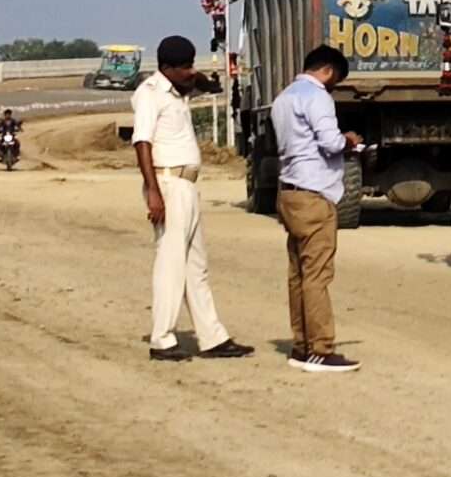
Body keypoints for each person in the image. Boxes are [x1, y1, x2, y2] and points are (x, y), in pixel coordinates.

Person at [133, 35, 253, 362]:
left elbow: (206, 85)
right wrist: (153, 192)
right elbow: (142, 142)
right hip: (167, 183)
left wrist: (194, 76)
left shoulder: (178, 91)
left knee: (195, 266)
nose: (190, 72)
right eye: (184, 67)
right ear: (166, 68)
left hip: (186, 184)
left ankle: (212, 337)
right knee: (171, 263)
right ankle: (162, 339)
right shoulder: (150, 94)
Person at [271, 45, 359, 373]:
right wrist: (349, 140)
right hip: (314, 193)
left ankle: (301, 345)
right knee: (317, 275)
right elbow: (330, 142)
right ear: (329, 71)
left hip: (289, 191)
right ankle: (321, 348)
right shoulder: (318, 97)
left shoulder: (283, 98)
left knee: (297, 273)